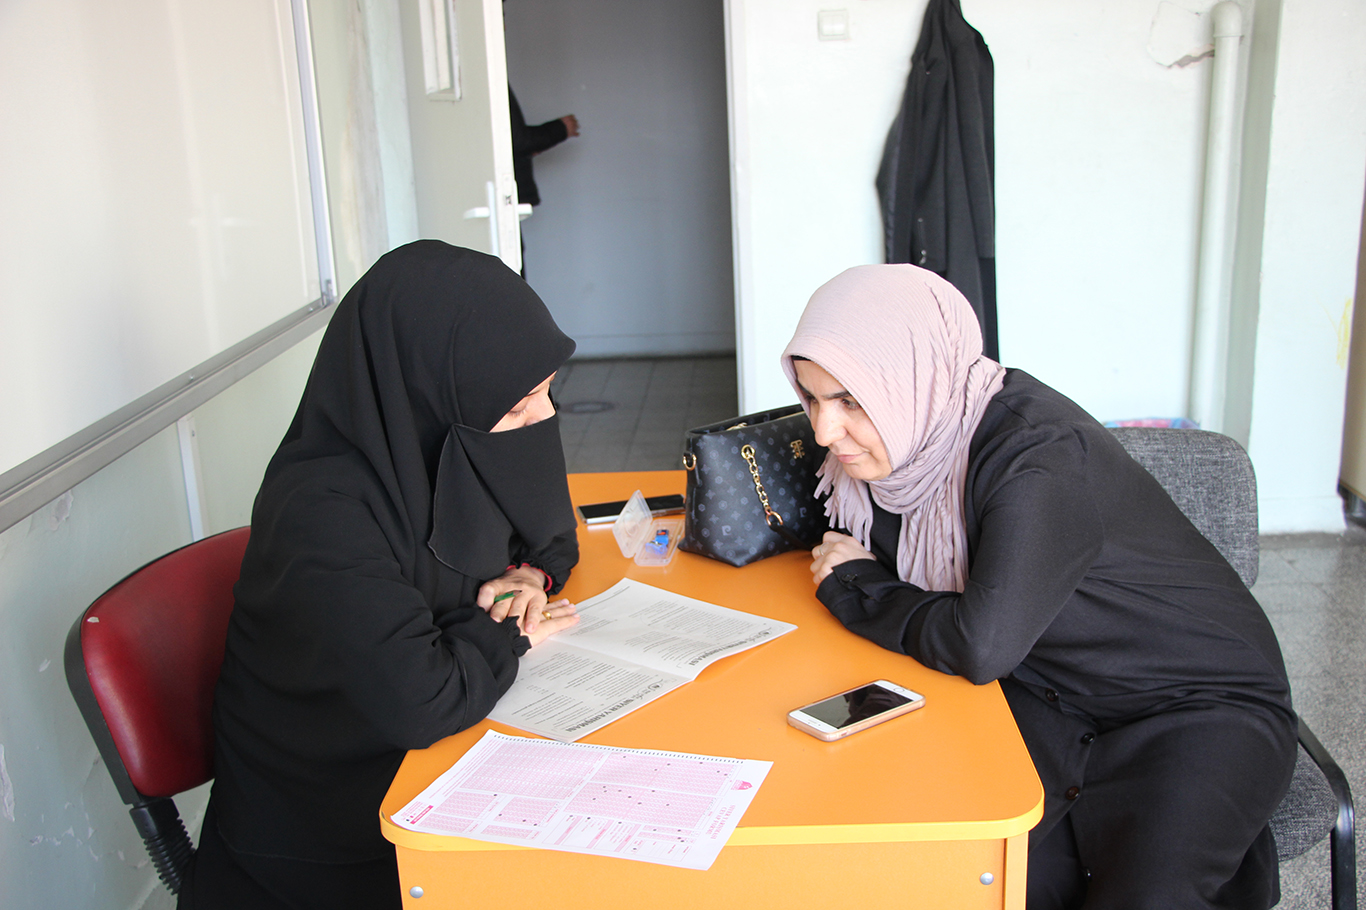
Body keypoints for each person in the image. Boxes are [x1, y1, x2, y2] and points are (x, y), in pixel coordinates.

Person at [781, 264, 1297, 910]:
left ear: (912, 376)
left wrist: (860, 585)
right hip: (1049, 698)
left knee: (1145, 895)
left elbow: (980, 646)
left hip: (1195, 706)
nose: (824, 432)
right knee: (963, 881)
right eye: (811, 399)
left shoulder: (1036, 456)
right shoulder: (907, 443)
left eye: (850, 401)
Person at [179, 241, 583, 910]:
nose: (543, 419)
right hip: (326, 849)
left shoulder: (443, 440)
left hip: (430, 781)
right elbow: (419, 701)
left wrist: (530, 576)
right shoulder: (320, 510)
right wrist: (506, 631)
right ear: (429, 389)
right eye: (518, 407)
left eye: (547, 392)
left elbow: (548, 530)